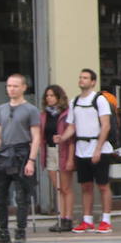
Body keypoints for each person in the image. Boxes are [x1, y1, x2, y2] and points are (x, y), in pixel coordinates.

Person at [0, 74, 42, 243]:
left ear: (24, 87)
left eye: (15, 86)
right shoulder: (2, 108)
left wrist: (31, 160)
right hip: (3, 154)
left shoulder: (31, 110)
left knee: (21, 196)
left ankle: (20, 232)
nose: (11, 89)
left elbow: (36, 136)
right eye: (9, 86)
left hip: (21, 153)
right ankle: (2, 232)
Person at [59, 68, 115, 234]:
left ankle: (106, 220)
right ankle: (87, 220)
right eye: (80, 77)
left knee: (103, 185)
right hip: (81, 149)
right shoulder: (74, 101)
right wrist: (62, 138)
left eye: (85, 78)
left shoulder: (100, 100)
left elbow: (106, 125)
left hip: (99, 148)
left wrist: (98, 149)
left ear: (93, 82)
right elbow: (72, 126)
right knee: (85, 186)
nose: (81, 80)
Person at [40, 84, 75, 233]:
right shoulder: (44, 115)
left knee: (66, 187)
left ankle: (68, 218)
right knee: (58, 187)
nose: (49, 98)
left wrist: (70, 158)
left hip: (64, 151)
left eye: (52, 96)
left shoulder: (66, 114)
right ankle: (61, 217)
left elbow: (72, 138)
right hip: (50, 151)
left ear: (59, 97)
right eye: (47, 96)